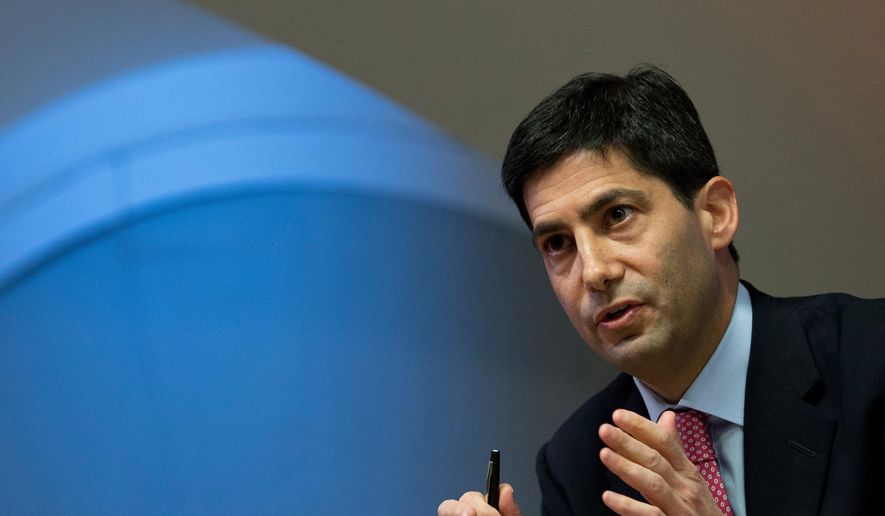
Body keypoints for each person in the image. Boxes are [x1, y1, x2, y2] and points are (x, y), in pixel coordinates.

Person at [438, 66, 885, 516]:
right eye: (558, 243)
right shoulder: (576, 465)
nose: (594, 272)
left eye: (617, 215)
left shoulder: (870, 359)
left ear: (715, 214)